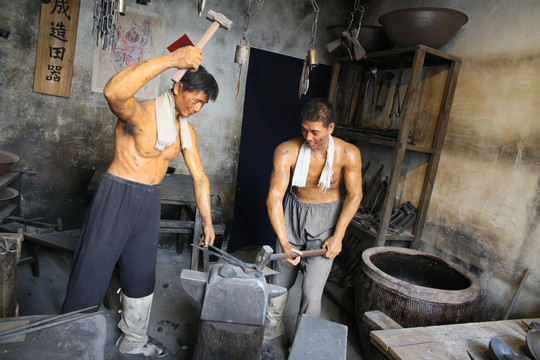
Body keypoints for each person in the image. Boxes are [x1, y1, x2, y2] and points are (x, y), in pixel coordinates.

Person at [61, 46, 219, 357]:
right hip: (117, 194)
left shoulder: (184, 132)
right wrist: (173, 60)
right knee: (92, 269)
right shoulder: (140, 112)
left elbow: (200, 177)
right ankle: (70, 341)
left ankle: (132, 340)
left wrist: (208, 220)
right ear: (178, 87)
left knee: (141, 272)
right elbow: (113, 91)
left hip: (149, 200)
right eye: (195, 99)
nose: (197, 108)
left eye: (203, 104)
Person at [264, 98, 362, 343]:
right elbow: (274, 199)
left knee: (312, 291)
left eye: (315, 132)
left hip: (326, 219)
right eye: (304, 130)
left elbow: (355, 195)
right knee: (279, 280)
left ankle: (304, 342)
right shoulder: (287, 151)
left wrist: (338, 236)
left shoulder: (348, 153)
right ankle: (272, 326)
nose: (309, 137)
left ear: (331, 128)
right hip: (293, 214)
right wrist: (285, 242)